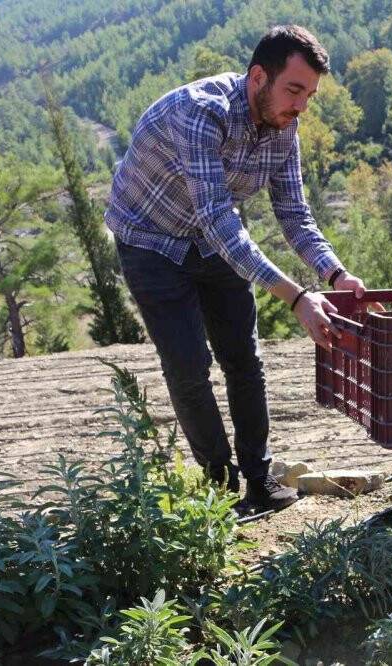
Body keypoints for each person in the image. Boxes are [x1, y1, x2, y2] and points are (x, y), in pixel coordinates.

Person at [106, 25, 366, 512]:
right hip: (150, 240)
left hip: (211, 241)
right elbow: (219, 219)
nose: (301, 107)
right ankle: (220, 491)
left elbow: (294, 214)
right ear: (257, 77)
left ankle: (260, 477)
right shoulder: (201, 114)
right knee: (188, 370)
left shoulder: (286, 127)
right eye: (293, 90)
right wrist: (295, 295)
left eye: (309, 94)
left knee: (244, 360)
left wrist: (335, 275)